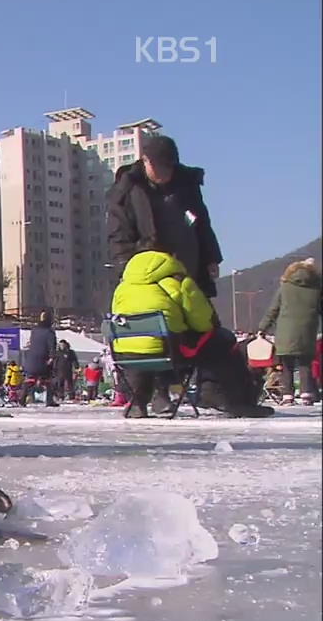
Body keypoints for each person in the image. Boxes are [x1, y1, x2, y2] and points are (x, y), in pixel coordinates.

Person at [110, 250, 272, 418]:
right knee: (224, 339)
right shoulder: (178, 282)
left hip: (126, 355)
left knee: (144, 346)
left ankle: (138, 403)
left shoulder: (122, 288)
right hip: (169, 351)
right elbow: (203, 322)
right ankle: (233, 400)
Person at [107, 134, 222, 298]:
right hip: (150, 275)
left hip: (189, 272)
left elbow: (202, 223)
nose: (164, 173)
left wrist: (211, 257)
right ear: (145, 161)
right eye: (158, 168)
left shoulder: (187, 184)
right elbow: (119, 234)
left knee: (201, 312)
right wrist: (125, 270)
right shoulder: (128, 189)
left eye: (168, 168)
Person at [258, 258, 321, 405]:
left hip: (286, 332)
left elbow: (273, 310)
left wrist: (262, 328)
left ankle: (288, 395)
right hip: (308, 331)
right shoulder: (316, 289)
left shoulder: (285, 288)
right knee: (305, 363)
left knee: (286, 364)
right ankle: (306, 394)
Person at [22, 311, 58, 407]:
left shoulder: (34, 330)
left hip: (31, 360)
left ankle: (22, 398)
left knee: (30, 379)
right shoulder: (49, 332)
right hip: (43, 360)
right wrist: (51, 358)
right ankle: (49, 400)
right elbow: (52, 346)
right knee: (48, 380)